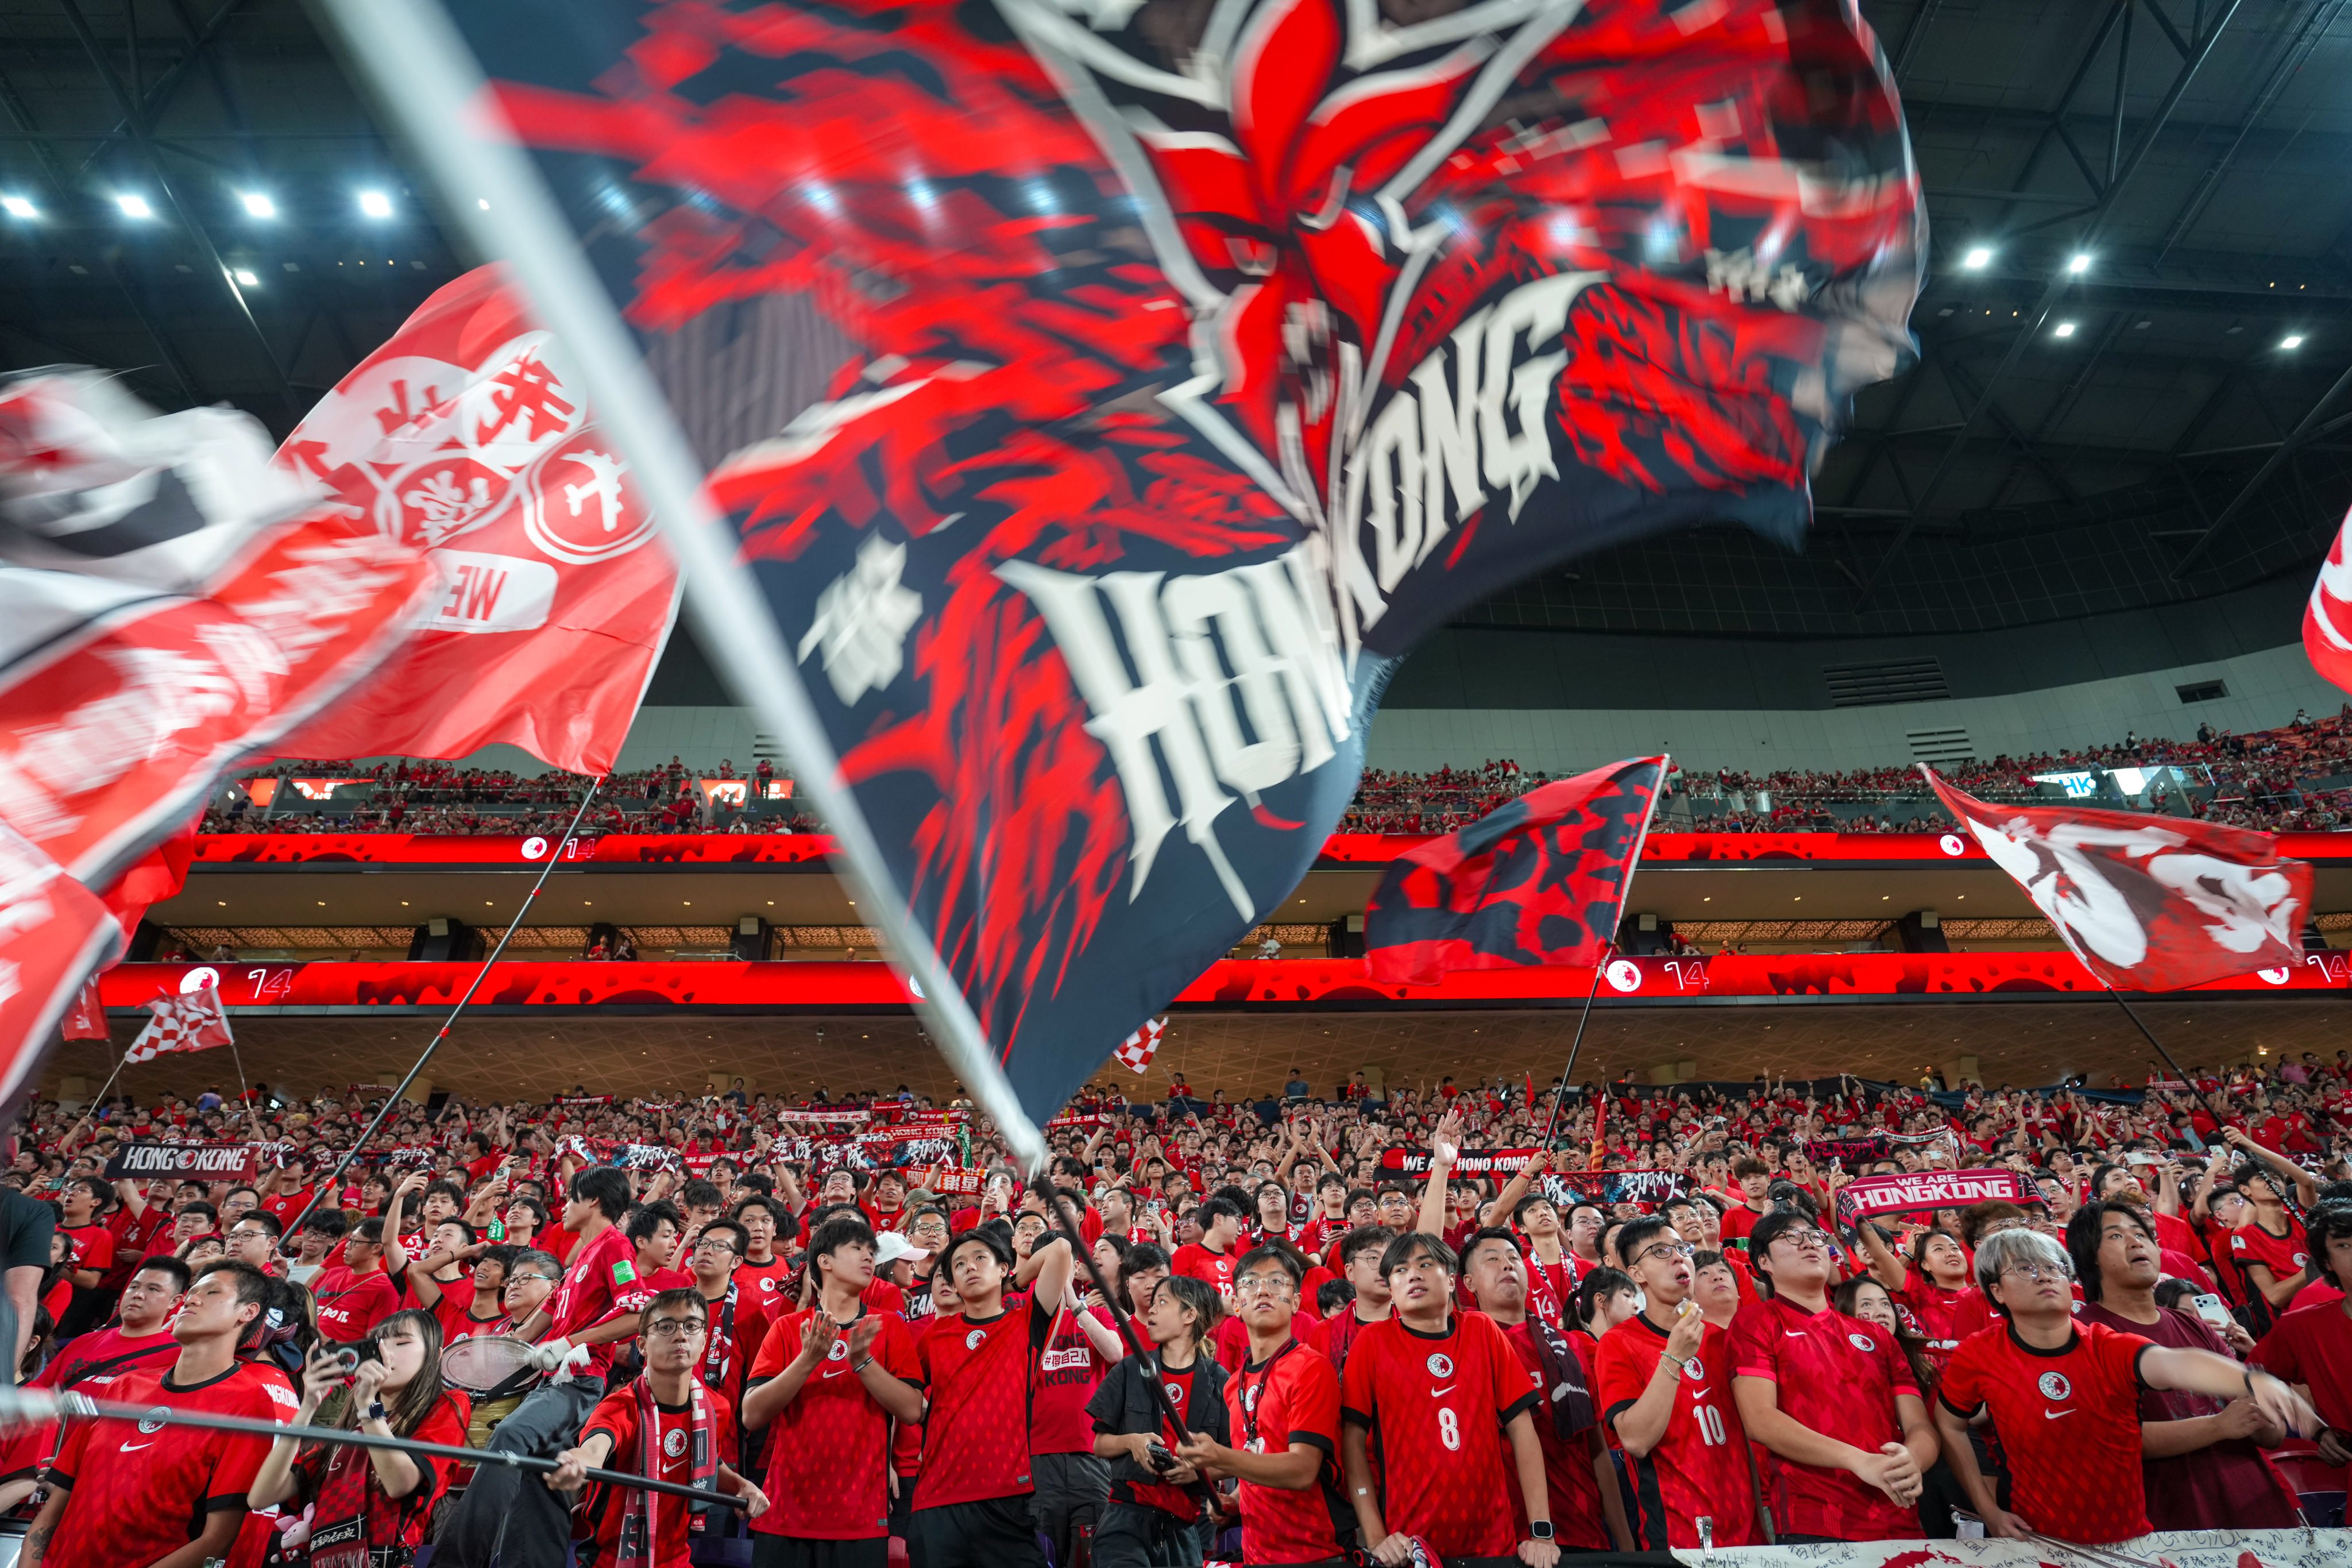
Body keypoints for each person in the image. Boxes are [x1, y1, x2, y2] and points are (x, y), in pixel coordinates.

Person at [1932, 1227, 2318, 1543]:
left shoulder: (2106, 1345)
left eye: (2053, 1267)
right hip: (2038, 1538)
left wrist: (2251, 1380)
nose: (2045, 1276)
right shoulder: (1978, 1354)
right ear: (1996, 1291)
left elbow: (2175, 1363)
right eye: (2024, 1269)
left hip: (2132, 1536)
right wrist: (1988, 1510)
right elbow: (1949, 1424)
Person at [20, 1261, 289, 1568]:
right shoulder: (123, 1386)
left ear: (248, 1312)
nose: (192, 1299)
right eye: (192, 1292)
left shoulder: (249, 1405)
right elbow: (56, 1506)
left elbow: (218, 1539)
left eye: (212, 1292)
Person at [2064, 1200, 2300, 1529]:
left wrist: (2269, 1411)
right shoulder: (2083, 1335)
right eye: (2116, 1236)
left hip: (2256, 1505)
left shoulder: (2196, 1325)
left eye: (2141, 1234)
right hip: (2170, 1521)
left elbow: (2269, 1435)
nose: (2136, 1242)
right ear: (2088, 1256)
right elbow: (2109, 1439)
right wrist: (2218, 1426)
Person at [1338, 1231, 1557, 1567]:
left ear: (1452, 1280)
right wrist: (1376, 1537)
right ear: (1392, 1290)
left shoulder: (1482, 1330)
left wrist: (1541, 1531)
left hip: (1494, 1541)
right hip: (1409, 1547)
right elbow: (1352, 1443)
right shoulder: (1371, 1342)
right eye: (1400, 1270)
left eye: (1426, 1264)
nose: (1413, 1274)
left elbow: (1522, 1430)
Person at [1729, 1209, 1934, 1542]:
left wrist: (1913, 1459)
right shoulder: (1755, 1322)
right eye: (1791, 1237)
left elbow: (1919, 1425)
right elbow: (1760, 1420)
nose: (1809, 1243)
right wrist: (1858, 1461)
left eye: (1815, 1236)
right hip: (1815, 1519)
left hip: (1900, 1514)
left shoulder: (1876, 1335)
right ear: (1764, 1261)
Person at [741, 1214, 924, 1567]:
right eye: (857, 1248)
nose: (869, 1256)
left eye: (871, 1251)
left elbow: (912, 1411)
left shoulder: (887, 1326)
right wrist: (808, 1360)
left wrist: (864, 1363)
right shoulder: (787, 1328)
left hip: (860, 1515)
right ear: (824, 1261)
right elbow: (752, 1415)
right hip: (785, 1512)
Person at [549, 1288, 771, 1567]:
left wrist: (742, 1486)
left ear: (704, 1340)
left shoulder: (716, 1408)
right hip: (611, 1561)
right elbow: (593, 1450)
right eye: (666, 1327)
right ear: (642, 1345)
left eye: (692, 1326)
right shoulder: (619, 1407)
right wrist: (576, 1462)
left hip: (677, 1560)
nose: (681, 1336)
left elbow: (709, 1464)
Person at [1175, 1245, 1352, 1564]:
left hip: (1316, 1554)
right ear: (1237, 1305)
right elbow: (1258, 1457)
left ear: (1296, 1302)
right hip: (1258, 1554)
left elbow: (1302, 1471)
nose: (1263, 1290)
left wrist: (1220, 1457)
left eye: (1277, 1282)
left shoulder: (1311, 1368)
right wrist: (1234, 1501)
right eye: (1251, 1282)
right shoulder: (1234, 1384)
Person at [249, 1308, 473, 1557]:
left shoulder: (448, 1404)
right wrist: (307, 1409)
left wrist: (368, 1407)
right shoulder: (348, 1427)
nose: (385, 1353)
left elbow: (400, 1484)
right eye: (376, 1344)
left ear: (436, 1354)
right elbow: (262, 1496)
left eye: (401, 1343)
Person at [910, 1222, 1071, 1568]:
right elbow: (907, 1399)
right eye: (959, 1264)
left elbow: (1060, 1250)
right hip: (937, 1499)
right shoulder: (935, 1335)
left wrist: (1010, 1285)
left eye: (980, 1258)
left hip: (1005, 1496)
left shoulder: (1026, 1321)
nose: (969, 1266)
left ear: (1003, 1268)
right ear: (952, 1284)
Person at [1458, 1227, 1628, 1551]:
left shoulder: (1570, 1345)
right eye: (1492, 1259)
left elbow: (1596, 1448)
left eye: (1513, 1258)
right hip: (1502, 1537)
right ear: (1468, 1283)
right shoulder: (1461, 1345)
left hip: (1582, 1529)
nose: (1507, 1265)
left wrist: (1624, 1541)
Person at [1594, 1214, 1756, 1549]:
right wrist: (1674, 1356)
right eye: (1660, 1251)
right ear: (1637, 1274)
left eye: (1681, 1248)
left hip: (1750, 1533)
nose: (1679, 1257)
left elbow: (1749, 1440)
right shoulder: (1618, 1342)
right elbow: (1636, 1440)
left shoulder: (1722, 1339)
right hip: (1678, 1534)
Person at [0, 1255, 188, 1512]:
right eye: (134, 1286)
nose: (138, 1294)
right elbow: (37, 1396)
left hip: (98, 1480)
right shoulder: (83, 1342)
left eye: (153, 1289)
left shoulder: (175, 1356)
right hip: (40, 1473)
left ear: (175, 1302)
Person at [1086, 1275, 1230, 1568]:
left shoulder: (1220, 1380)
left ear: (1190, 1315)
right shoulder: (1129, 1368)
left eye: (1162, 1302)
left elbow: (1234, 1458)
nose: (1151, 1309)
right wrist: (1132, 1442)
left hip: (1184, 1526)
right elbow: (1099, 1445)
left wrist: (1196, 1473)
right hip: (1125, 1519)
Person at [2253, 1200, 2352, 1467]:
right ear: (2327, 1263)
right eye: (2344, 1245)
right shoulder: (2302, 1326)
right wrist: (2315, 1429)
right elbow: (2252, 1381)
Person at [1306, 1226, 1392, 1373]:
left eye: (1390, 1259)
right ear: (1350, 1271)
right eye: (1373, 1258)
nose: (1385, 1268)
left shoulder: (1416, 1326)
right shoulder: (1323, 1333)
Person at [312, 1215, 401, 1343]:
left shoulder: (385, 1291)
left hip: (334, 1354)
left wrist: (328, 1342)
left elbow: (375, 1343)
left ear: (376, 1248)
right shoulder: (332, 1274)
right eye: (349, 1240)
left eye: (356, 1242)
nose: (347, 1246)